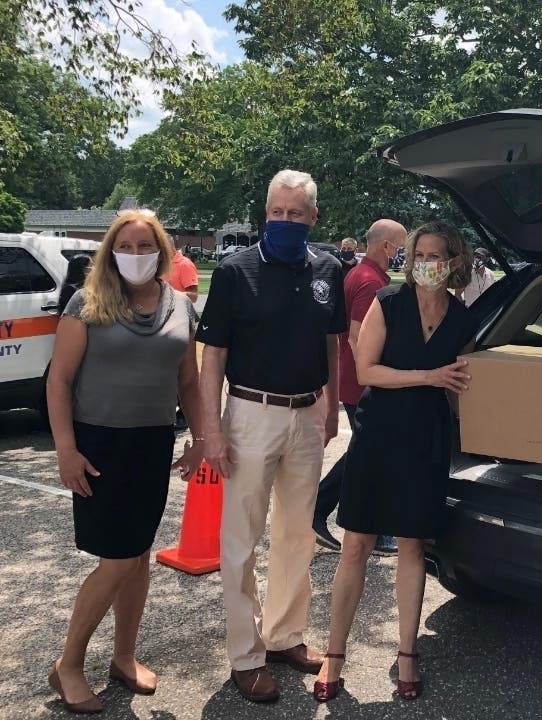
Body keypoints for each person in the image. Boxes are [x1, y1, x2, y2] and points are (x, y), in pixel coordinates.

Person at [45, 209, 204, 714]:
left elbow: (190, 381)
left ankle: (124, 655)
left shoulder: (179, 305)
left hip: (151, 443)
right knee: (116, 560)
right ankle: (68, 664)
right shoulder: (86, 302)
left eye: (145, 246)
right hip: (98, 446)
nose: (135, 255)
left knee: (137, 556)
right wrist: (66, 449)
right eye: (126, 246)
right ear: (110, 251)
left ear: (162, 251)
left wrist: (202, 436)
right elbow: (59, 381)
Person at [197, 169, 346, 703]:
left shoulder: (329, 267)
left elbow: (332, 343)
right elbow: (212, 356)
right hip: (250, 413)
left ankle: (284, 636)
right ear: (266, 213)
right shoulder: (236, 271)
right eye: (277, 212)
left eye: (296, 213)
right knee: (240, 539)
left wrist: (329, 409)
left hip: (307, 414)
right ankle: (246, 655)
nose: (286, 220)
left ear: (313, 217)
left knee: (296, 533)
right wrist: (211, 429)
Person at [313, 221, 477, 703]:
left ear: (453, 262)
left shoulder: (462, 316)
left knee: (411, 545)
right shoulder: (387, 302)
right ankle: (334, 652)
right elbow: (366, 371)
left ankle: (407, 652)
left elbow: (461, 387)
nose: (426, 262)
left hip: (427, 439)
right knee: (356, 544)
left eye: (436, 255)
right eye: (419, 253)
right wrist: (429, 375)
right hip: (379, 434)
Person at [313, 219, 408, 555]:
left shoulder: (362, 275)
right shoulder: (369, 283)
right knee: (373, 454)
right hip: (364, 384)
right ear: (386, 246)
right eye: (402, 245)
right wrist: (376, 375)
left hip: (358, 381)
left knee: (367, 451)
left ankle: (320, 509)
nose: (403, 253)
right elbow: (357, 336)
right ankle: (368, 526)